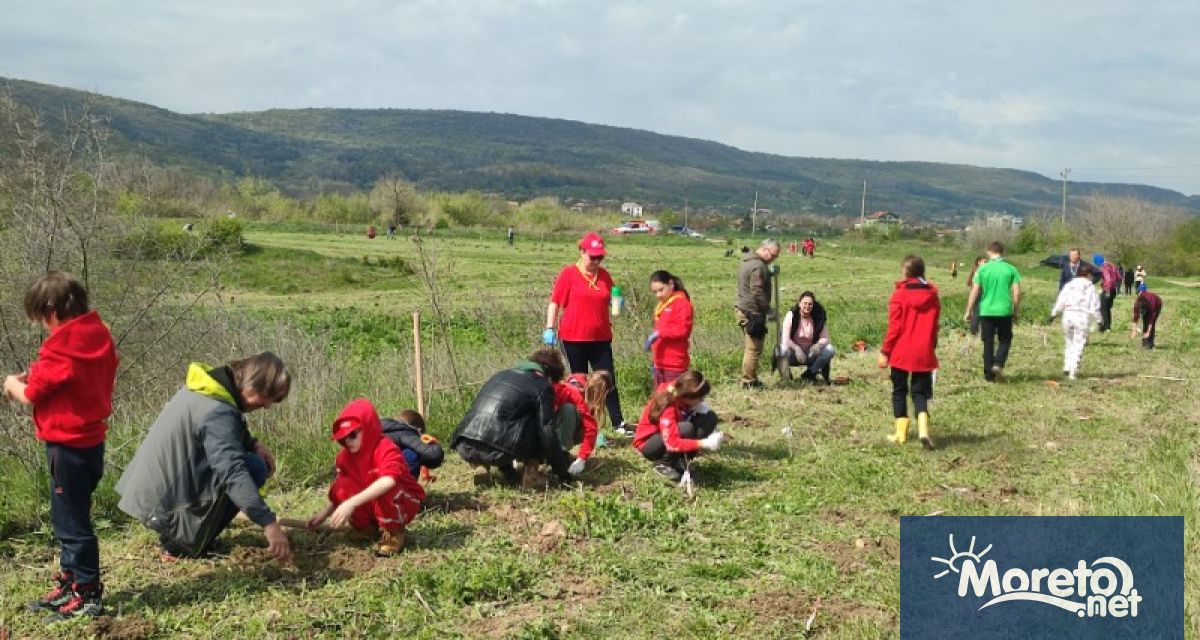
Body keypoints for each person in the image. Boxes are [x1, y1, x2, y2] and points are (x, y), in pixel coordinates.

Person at [3, 272, 118, 619]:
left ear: (51, 309)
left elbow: (33, 394)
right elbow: (69, 377)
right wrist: (38, 373)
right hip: (89, 441)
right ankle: (71, 580)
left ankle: (87, 593)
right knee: (66, 515)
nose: (44, 326)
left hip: (66, 446)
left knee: (71, 522)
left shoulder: (61, 345)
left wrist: (11, 385)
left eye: (41, 318)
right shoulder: (97, 334)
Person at [116, 352, 292, 563]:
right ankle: (179, 544)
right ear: (252, 383)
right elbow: (233, 473)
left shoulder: (209, 388)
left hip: (153, 492)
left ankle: (193, 535)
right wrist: (269, 524)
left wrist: (253, 444)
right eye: (267, 396)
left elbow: (224, 434)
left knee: (254, 462)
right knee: (252, 469)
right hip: (162, 503)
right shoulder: (218, 411)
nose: (267, 406)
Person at [307, 399, 426, 555]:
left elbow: (389, 481)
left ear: (368, 427)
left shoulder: (385, 447)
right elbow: (342, 492)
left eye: (352, 435)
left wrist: (351, 503)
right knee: (341, 485)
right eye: (343, 439)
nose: (347, 441)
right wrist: (324, 513)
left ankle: (393, 532)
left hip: (404, 499)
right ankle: (367, 529)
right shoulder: (345, 457)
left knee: (385, 487)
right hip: (373, 503)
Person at [450, 348, 573, 487]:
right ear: (550, 375)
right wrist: (563, 472)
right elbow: (547, 433)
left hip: (465, 445)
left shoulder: (500, 375)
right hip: (498, 451)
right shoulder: (542, 385)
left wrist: (510, 473)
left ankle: (481, 465)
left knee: (509, 418)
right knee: (539, 424)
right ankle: (531, 473)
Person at [545, 232, 628, 433]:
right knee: (578, 382)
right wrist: (549, 327)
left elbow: (611, 299)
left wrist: (617, 302)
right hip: (573, 338)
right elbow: (555, 302)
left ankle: (618, 422)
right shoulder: (569, 274)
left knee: (607, 379)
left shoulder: (604, 276)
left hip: (600, 337)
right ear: (582, 252)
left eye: (600, 257)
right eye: (593, 257)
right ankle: (582, 424)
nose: (596, 261)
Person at [878, 256, 940, 449]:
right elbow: (935, 326)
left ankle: (900, 433)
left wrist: (885, 351)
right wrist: (932, 346)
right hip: (924, 350)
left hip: (901, 350)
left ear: (906, 272)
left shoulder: (900, 294)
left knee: (899, 390)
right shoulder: (933, 295)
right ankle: (923, 430)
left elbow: (894, 327)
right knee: (920, 392)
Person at [632, 371, 724, 482]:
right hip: (650, 443)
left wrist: (695, 410)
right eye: (700, 398)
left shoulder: (680, 387)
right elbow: (671, 443)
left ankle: (680, 460)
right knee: (686, 429)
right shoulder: (667, 404)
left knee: (710, 418)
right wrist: (704, 443)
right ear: (688, 397)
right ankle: (664, 463)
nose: (702, 400)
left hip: (669, 432)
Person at [965, 242, 1021, 382]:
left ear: (989, 251)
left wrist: (969, 311)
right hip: (1004, 311)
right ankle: (998, 363)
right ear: (1002, 252)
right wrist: (1015, 310)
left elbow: (975, 291)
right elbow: (1017, 292)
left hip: (986, 310)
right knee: (1005, 339)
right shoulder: (1011, 269)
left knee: (988, 342)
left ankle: (988, 375)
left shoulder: (982, 270)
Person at [735, 239, 781, 389]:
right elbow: (757, 291)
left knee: (752, 347)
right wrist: (768, 310)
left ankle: (750, 377)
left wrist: (768, 274)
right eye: (773, 255)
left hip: (743, 308)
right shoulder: (758, 265)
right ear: (765, 249)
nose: (774, 259)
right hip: (752, 312)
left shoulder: (748, 260)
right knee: (754, 348)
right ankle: (749, 382)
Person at [553, 370, 612, 478]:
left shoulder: (585, 388)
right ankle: (558, 454)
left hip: (553, 426)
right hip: (549, 426)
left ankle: (561, 452)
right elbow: (591, 426)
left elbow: (591, 427)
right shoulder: (573, 390)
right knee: (568, 409)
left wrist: (581, 458)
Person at [1049, 263, 1101, 380]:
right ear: (1088, 274)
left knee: (1069, 342)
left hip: (1068, 316)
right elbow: (1094, 305)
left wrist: (1053, 314)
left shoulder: (1069, 285)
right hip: (1082, 317)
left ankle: (1067, 366)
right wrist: (1099, 320)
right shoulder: (1090, 287)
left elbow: (1061, 300)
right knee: (1079, 344)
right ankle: (1073, 371)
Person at [644, 270, 694, 385]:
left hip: (674, 364)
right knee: (660, 399)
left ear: (671, 284)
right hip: (660, 362)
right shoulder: (663, 304)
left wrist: (659, 333)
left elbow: (683, 330)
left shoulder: (681, 303)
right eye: (655, 292)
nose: (658, 295)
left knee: (674, 400)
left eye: (661, 290)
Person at [779, 291, 836, 384]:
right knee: (780, 350)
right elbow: (784, 339)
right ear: (799, 304)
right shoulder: (791, 315)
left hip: (811, 353)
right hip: (794, 353)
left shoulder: (818, 317)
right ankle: (786, 378)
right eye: (805, 303)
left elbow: (825, 338)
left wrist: (818, 345)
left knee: (830, 349)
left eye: (810, 304)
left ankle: (809, 374)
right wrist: (796, 348)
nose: (807, 306)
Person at [381, 409, 444, 481]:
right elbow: (434, 454)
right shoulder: (407, 432)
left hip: (368, 475)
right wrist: (432, 443)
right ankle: (406, 489)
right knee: (412, 454)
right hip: (385, 478)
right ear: (419, 430)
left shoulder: (378, 426)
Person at [1132, 284, 1162, 349]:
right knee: (1145, 321)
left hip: (1157, 304)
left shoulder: (1152, 305)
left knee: (1150, 322)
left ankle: (1150, 343)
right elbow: (1135, 318)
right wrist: (1134, 331)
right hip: (1147, 305)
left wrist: (1148, 332)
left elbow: (1151, 321)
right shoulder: (1137, 304)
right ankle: (1145, 342)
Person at [1096, 256, 1121, 332]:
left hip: (1107, 289)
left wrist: (1106, 288)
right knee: (1107, 309)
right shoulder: (1112, 265)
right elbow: (1119, 277)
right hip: (1113, 290)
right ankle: (1108, 327)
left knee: (1103, 309)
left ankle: (1105, 327)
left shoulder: (1104, 267)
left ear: (1098, 262)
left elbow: (1108, 279)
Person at [965, 256, 987, 335]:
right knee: (978, 311)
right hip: (978, 292)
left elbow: (970, 280)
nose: (986, 264)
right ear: (979, 262)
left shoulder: (975, 269)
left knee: (976, 311)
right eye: (984, 262)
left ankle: (975, 330)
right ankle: (975, 330)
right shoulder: (979, 270)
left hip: (976, 292)